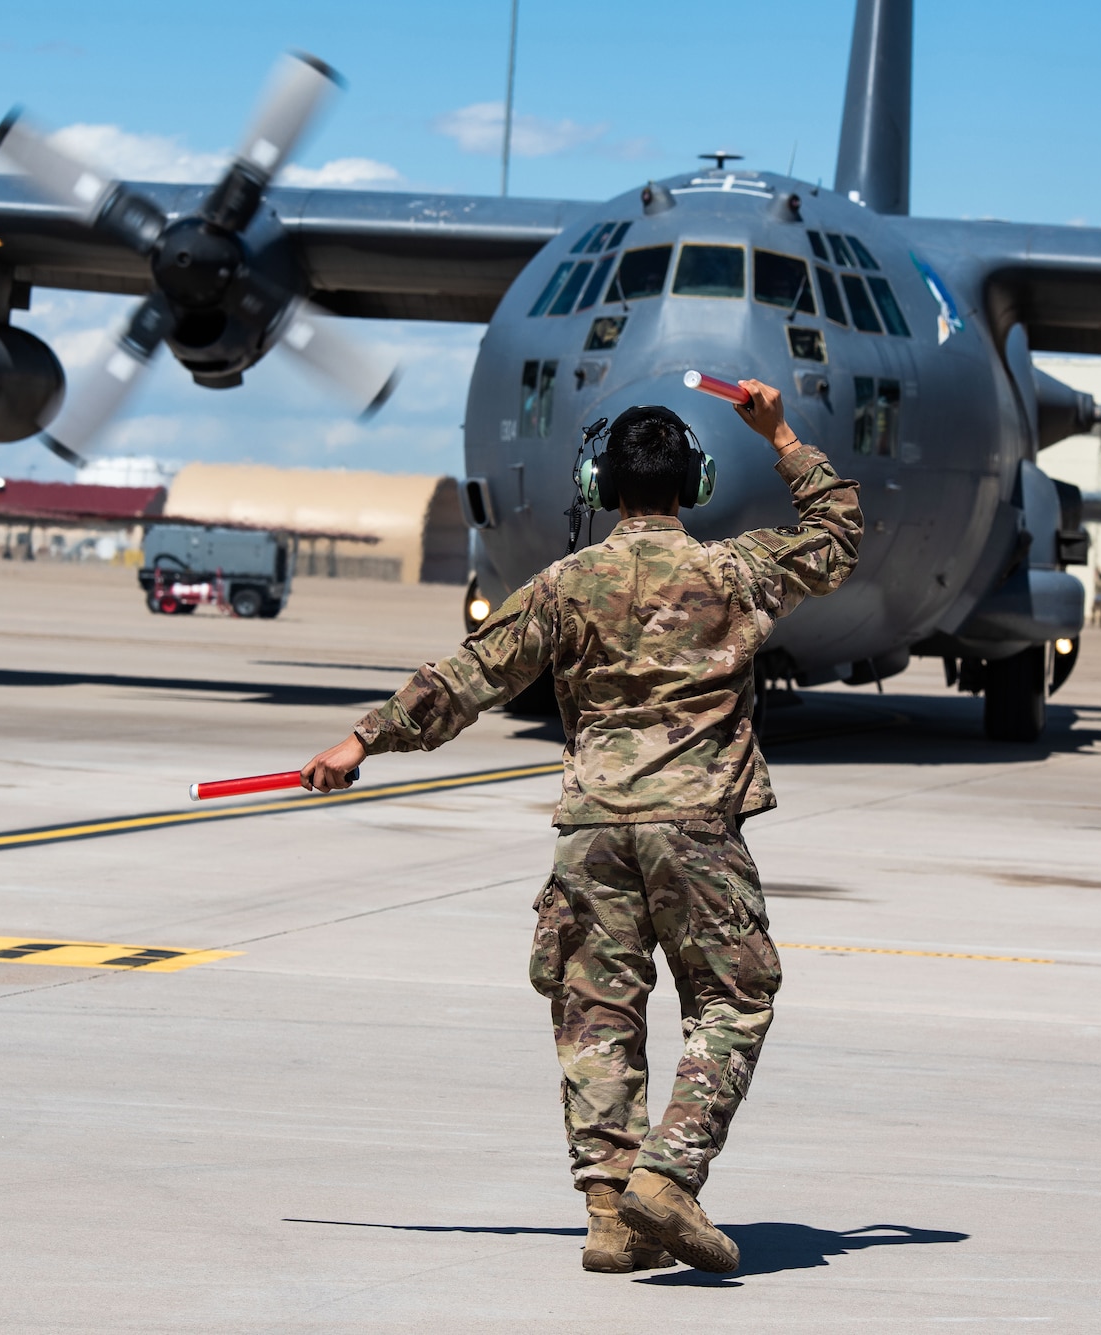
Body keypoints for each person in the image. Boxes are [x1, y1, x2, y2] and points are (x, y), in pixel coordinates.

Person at [301, 382, 861, 1276]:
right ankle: (668, 1178)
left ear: (601, 485)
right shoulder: (736, 572)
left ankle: (610, 1212)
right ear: (697, 482)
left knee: (597, 1013)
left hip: (592, 830)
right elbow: (836, 538)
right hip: (695, 824)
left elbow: (469, 674)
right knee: (734, 997)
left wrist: (362, 738)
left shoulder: (564, 585)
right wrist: (784, 433)